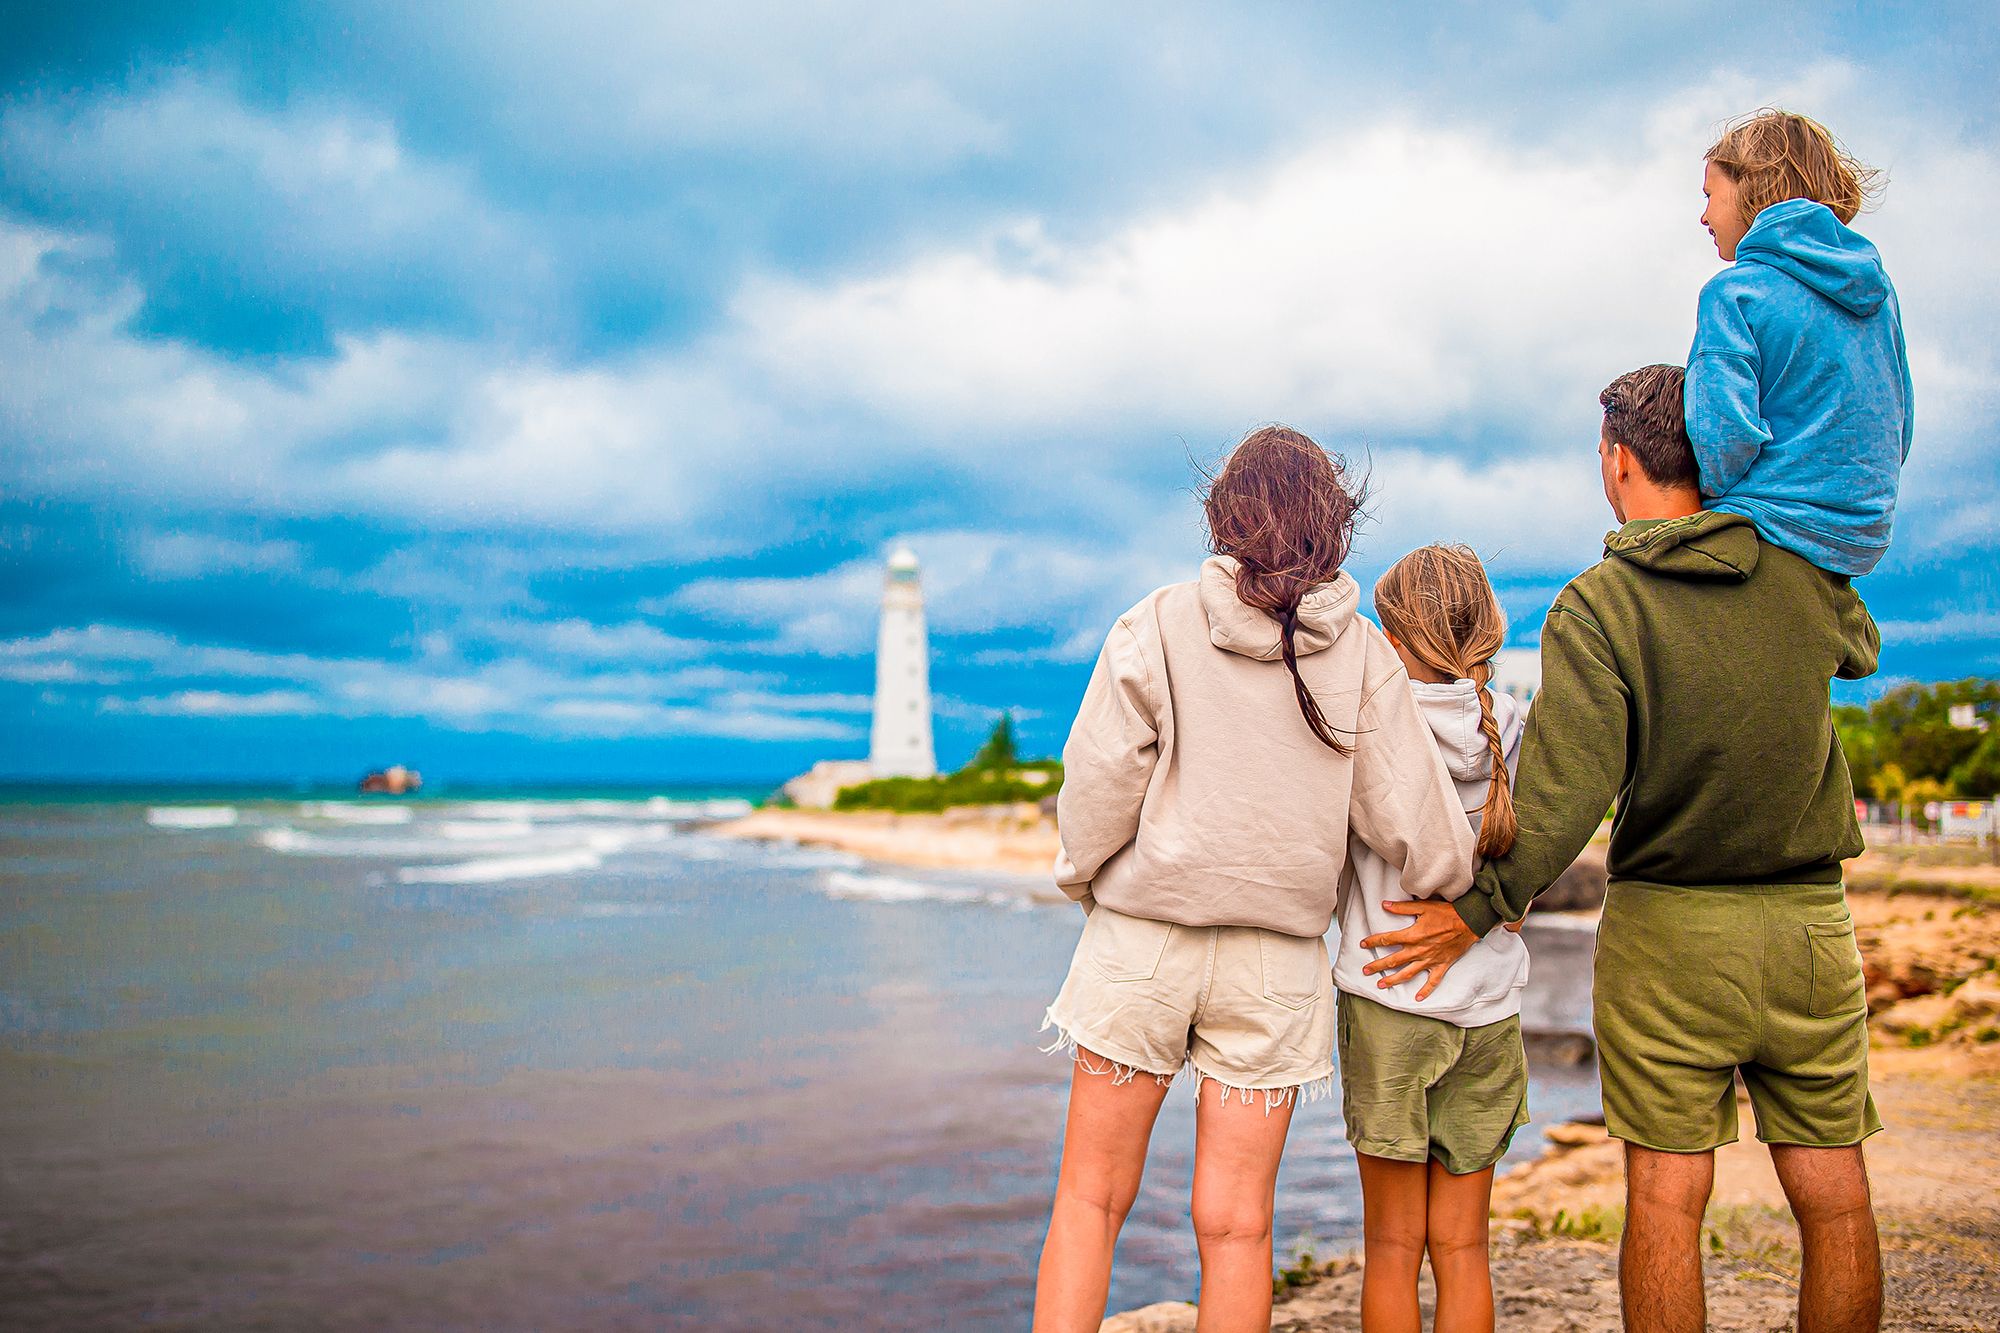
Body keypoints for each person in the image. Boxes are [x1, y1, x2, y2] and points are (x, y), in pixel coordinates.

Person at [1360, 365, 1884, 1333]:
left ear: (1614, 459)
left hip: (1669, 935)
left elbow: (1563, 798)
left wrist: (1471, 913)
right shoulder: (1805, 572)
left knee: (1665, 1200)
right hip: (1809, 923)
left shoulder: (1600, 604)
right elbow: (1860, 648)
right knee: (1835, 1193)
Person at [1032, 426, 1478, 1332]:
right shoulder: (1361, 651)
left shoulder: (1155, 621)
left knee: (1089, 1201)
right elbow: (1415, 821)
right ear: (1337, 523)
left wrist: (1085, 879)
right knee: (1238, 1228)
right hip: (1276, 969)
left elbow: (1097, 784)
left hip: (1141, 944)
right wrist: (1460, 885)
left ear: (1221, 516)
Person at [1334, 544, 1530, 1333]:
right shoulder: (1513, 724)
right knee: (1464, 1247)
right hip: (1490, 1009)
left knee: (1390, 1245)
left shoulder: (1368, 726)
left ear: (1395, 636)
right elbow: (1529, 868)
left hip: (1388, 1003)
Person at [1688, 107, 1913, 577]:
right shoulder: (1878, 292)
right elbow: (1899, 419)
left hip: (1768, 529)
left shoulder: (1732, 293)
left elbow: (1722, 442)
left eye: (1710, 194)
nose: (1704, 215)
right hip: (1861, 537)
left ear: (1751, 185)